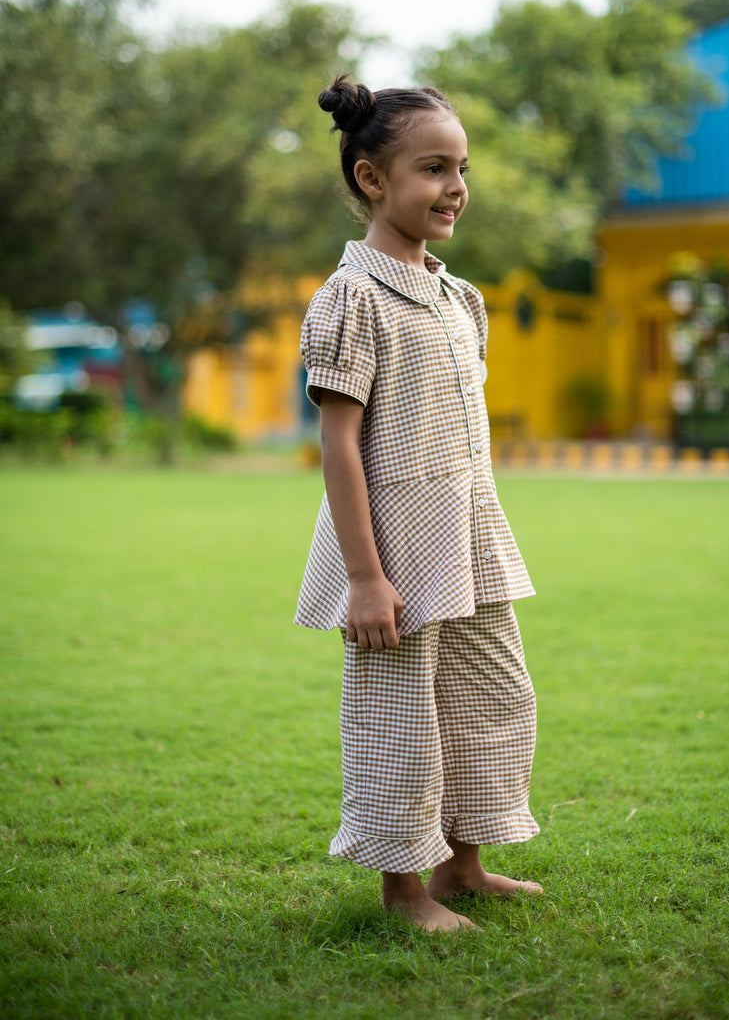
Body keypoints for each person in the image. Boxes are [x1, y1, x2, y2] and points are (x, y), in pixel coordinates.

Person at [295, 75, 540, 932]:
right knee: (401, 715)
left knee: (489, 694)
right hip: (393, 549)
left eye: (461, 167)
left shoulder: (459, 297)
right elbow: (339, 445)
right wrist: (366, 576)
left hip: (469, 536)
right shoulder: (352, 299)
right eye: (433, 168)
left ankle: (464, 864)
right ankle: (405, 892)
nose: (455, 187)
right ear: (372, 179)